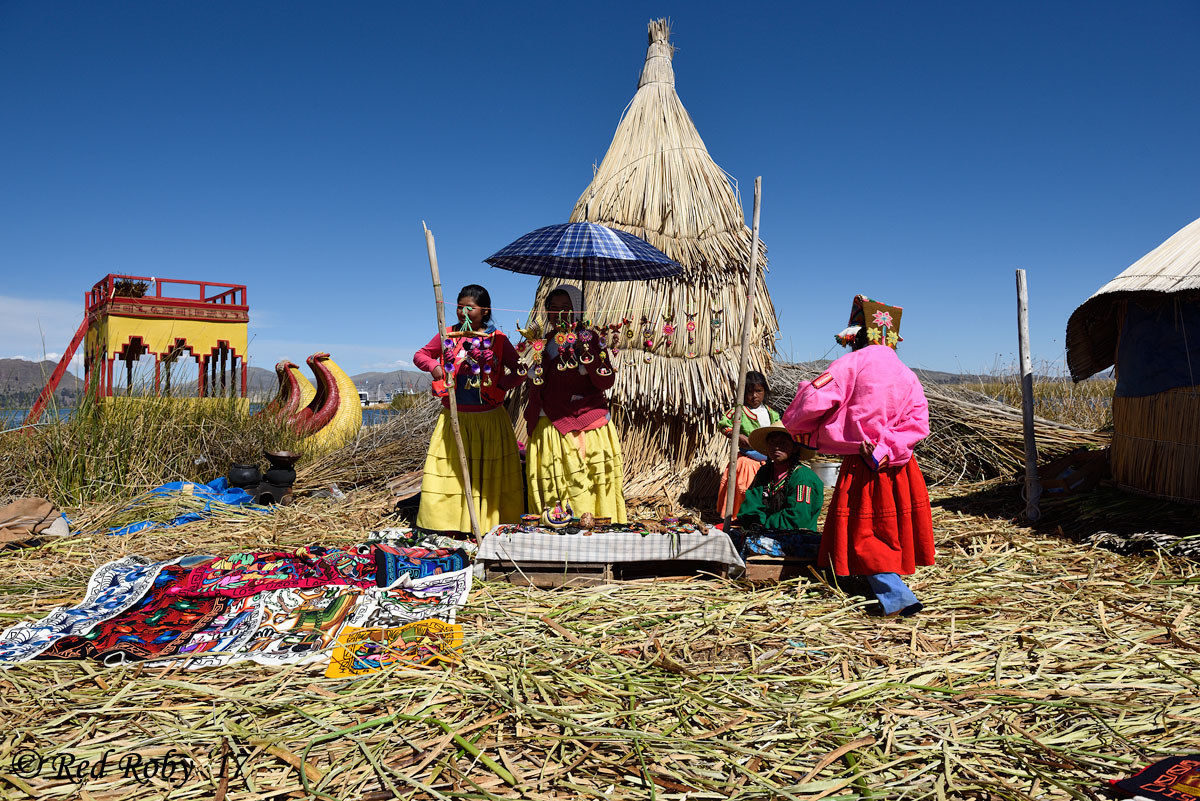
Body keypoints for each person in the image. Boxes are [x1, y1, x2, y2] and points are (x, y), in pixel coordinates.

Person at [781, 295, 934, 617]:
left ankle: (897, 596)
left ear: (855, 336)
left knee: (868, 530)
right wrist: (889, 447)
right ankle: (876, 584)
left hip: (865, 462)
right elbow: (919, 423)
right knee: (887, 526)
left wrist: (803, 430)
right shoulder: (908, 375)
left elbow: (812, 400)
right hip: (900, 465)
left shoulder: (850, 365)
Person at [413, 284, 524, 534]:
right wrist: (434, 367)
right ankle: (448, 525)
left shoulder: (498, 339)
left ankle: (488, 525)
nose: (463, 312)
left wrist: (501, 386)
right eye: (460, 307)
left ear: (485, 311)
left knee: (487, 475)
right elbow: (420, 355)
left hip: (489, 419)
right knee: (451, 472)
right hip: (455, 417)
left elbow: (520, 369)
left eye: (469, 308)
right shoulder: (448, 333)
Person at [524, 284, 627, 523]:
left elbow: (606, 380)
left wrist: (586, 357)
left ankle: (589, 526)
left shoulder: (589, 338)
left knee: (582, 481)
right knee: (553, 481)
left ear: (578, 311)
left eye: (566, 308)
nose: (559, 314)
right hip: (548, 422)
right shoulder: (546, 340)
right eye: (553, 308)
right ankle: (554, 527)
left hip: (582, 424)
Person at [734, 425, 824, 559]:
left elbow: (797, 518)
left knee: (748, 544)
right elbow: (751, 504)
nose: (776, 447)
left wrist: (764, 523)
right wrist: (754, 523)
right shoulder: (765, 472)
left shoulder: (803, 478)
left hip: (796, 537)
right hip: (763, 531)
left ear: (794, 448)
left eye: (783, 443)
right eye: (772, 443)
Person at [716, 371, 780, 517]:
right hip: (749, 458)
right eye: (750, 392)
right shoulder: (739, 412)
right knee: (745, 484)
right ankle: (739, 516)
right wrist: (737, 435)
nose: (754, 396)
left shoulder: (771, 414)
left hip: (768, 459)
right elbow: (723, 425)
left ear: (765, 391)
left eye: (759, 391)